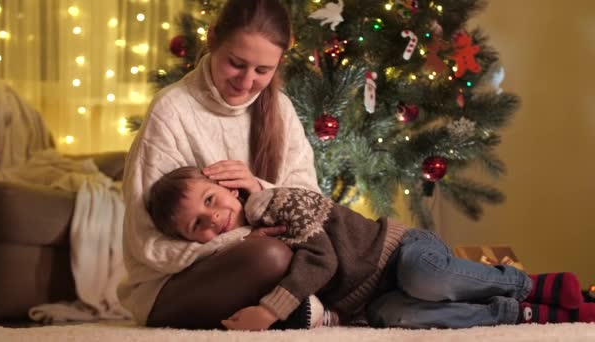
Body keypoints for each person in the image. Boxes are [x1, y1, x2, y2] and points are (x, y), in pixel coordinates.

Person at [147, 165, 595, 331]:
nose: (215, 219)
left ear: (227, 186)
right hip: (372, 300)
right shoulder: (234, 254)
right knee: (400, 318)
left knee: (426, 278)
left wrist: (269, 310)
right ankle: (520, 314)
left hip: (395, 251)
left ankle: (528, 283)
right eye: (198, 227)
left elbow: (321, 259)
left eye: (211, 200)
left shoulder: (276, 202)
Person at [117, 0, 322, 329]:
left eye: (262, 71)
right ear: (212, 40)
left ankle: (281, 309)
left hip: (259, 261)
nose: (246, 81)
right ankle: (289, 308)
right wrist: (239, 241)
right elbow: (147, 244)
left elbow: (312, 203)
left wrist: (258, 190)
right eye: (236, 64)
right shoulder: (172, 110)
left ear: (279, 63)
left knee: (329, 251)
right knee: (270, 257)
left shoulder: (280, 109)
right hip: (175, 284)